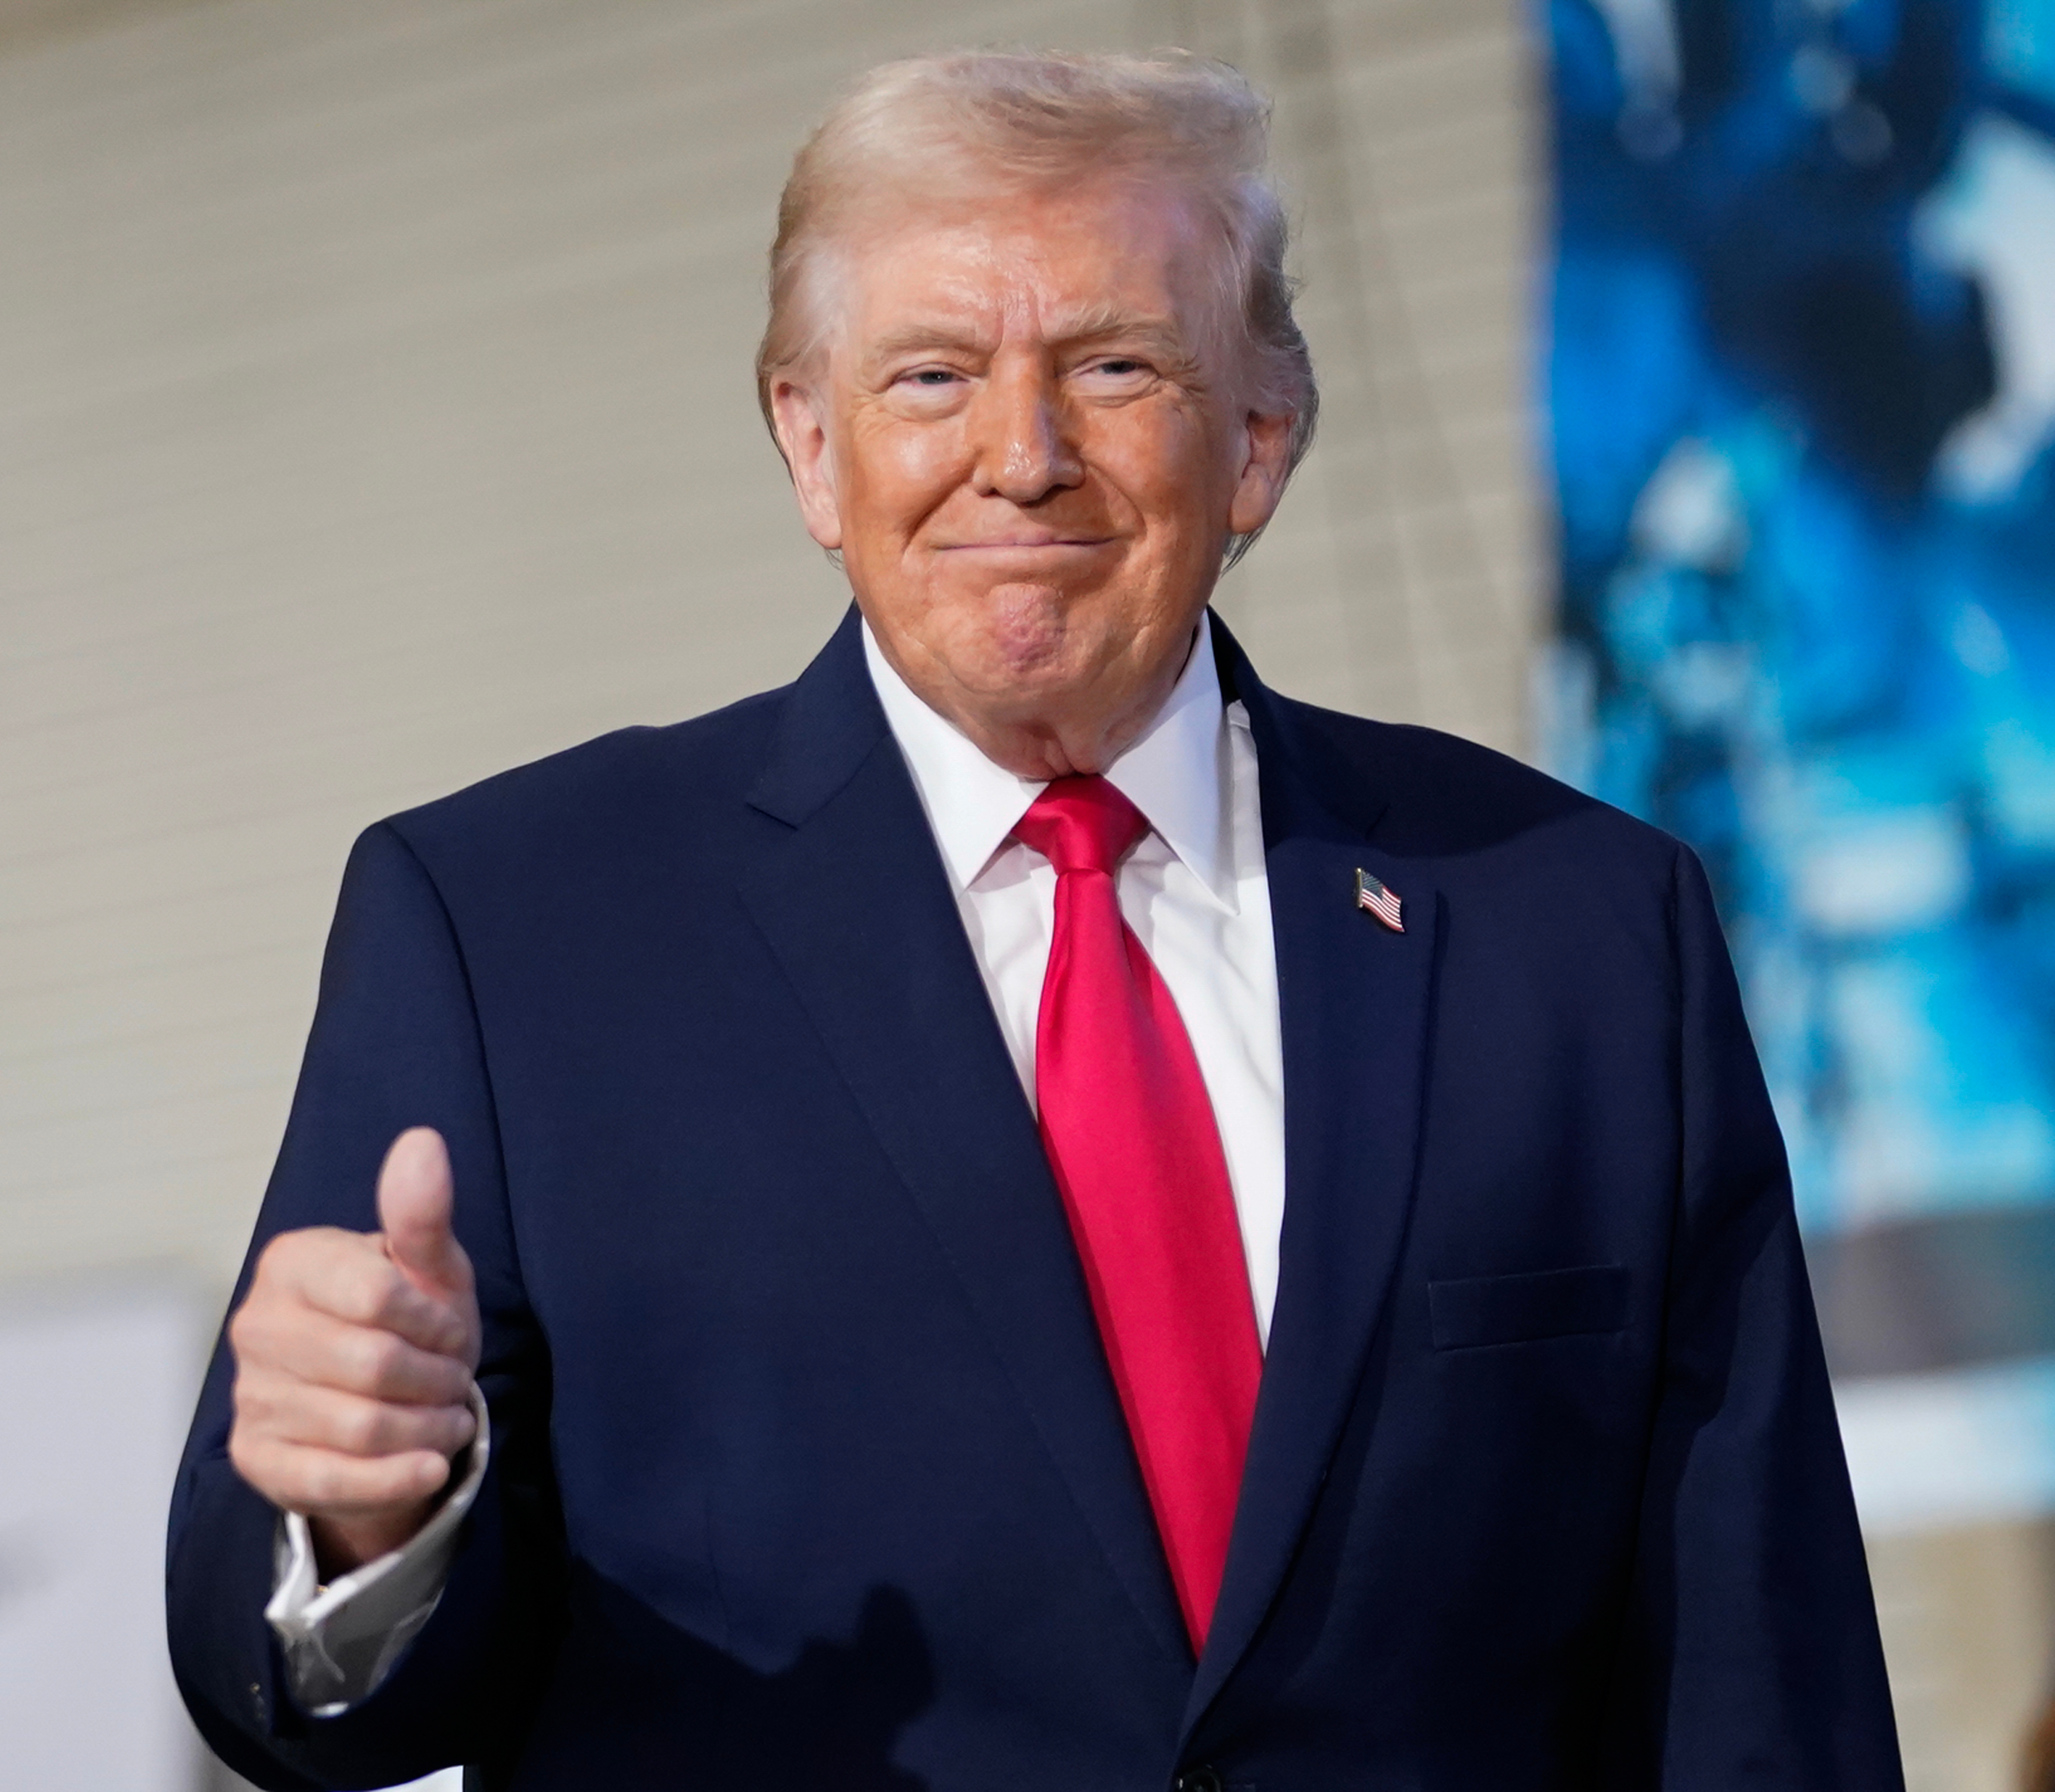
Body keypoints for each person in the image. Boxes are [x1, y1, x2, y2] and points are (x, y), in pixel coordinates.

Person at [167, 49, 1904, 1791]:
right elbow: (285, 1690)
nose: (1024, 457)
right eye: (933, 374)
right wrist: (366, 1518)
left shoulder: (1583, 929)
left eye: (1115, 365)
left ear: (1260, 441)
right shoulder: (513, 931)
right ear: (812, 446)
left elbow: (1761, 1675)